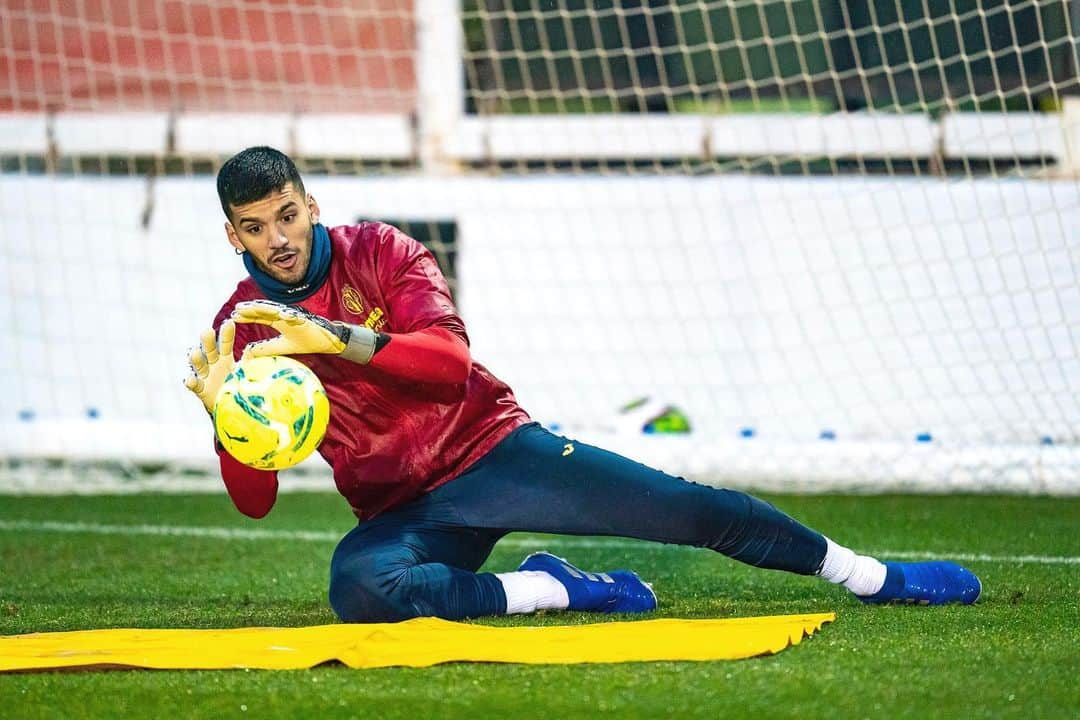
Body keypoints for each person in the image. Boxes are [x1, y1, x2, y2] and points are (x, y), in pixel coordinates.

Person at [184, 146, 981, 623]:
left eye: (286, 215)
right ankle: (554, 589)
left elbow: (447, 369)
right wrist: (228, 419)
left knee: (690, 510)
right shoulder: (241, 328)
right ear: (233, 235)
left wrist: (339, 339)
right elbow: (256, 500)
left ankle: (873, 577)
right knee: (360, 585)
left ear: (309, 204)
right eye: (255, 227)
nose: (277, 240)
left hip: (494, 451)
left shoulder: (384, 253)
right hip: (402, 509)